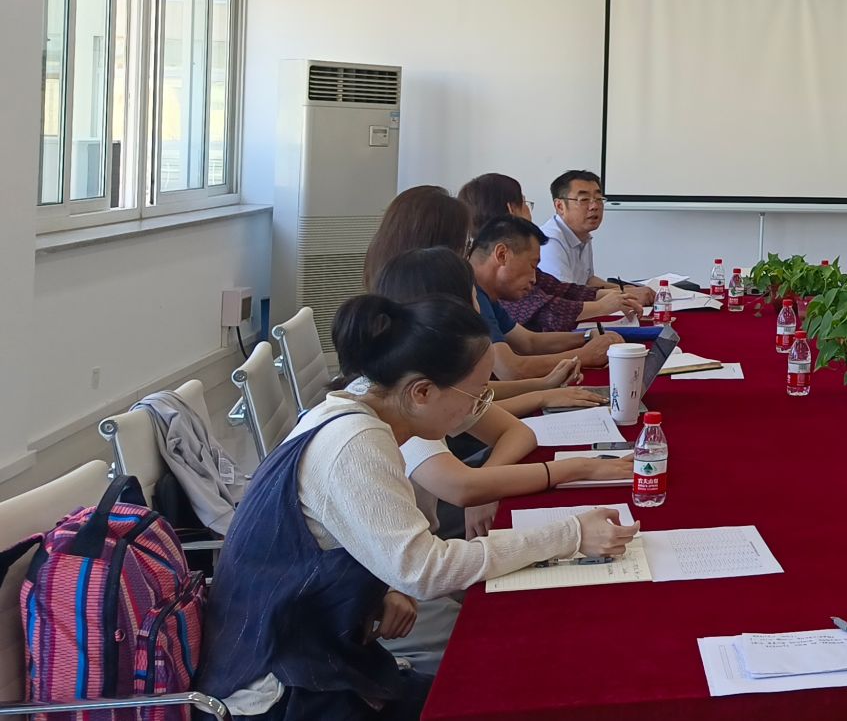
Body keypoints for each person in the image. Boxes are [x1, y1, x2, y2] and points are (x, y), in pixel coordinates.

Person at [197, 294, 638, 720]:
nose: (481, 406)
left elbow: (362, 542)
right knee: (513, 689)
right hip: (279, 692)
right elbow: (427, 571)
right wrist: (570, 533)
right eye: (477, 394)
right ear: (422, 392)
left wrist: (386, 587)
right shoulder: (357, 444)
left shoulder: (353, 407)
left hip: (319, 655)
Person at [372, 247, 630, 539]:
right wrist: (580, 468)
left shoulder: (432, 374)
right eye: (474, 297)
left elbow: (519, 433)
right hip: (428, 531)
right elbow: (461, 487)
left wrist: (485, 481)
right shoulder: (406, 397)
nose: (480, 308)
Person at [363, 185, 619, 381]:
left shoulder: (409, 286)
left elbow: (527, 343)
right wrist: (583, 356)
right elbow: (504, 374)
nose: (466, 251)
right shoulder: (457, 290)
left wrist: (584, 341)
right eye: (462, 242)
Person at [457, 173, 632, 330]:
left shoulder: (490, 257)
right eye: (524, 203)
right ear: (512, 211)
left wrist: (615, 295)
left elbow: (559, 288)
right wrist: (603, 306)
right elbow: (549, 313)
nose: (594, 206)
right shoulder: (496, 275)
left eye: (598, 198)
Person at [468, 214, 616, 366]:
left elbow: (529, 342)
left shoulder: (487, 294)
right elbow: (511, 369)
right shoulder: (470, 291)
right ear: (502, 255)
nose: (534, 279)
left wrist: (588, 336)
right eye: (532, 265)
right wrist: (585, 356)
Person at [537, 169, 656, 310]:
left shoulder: (582, 234)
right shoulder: (550, 241)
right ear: (560, 206)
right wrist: (624, 294)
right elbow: (566, 296)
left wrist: (625, 288)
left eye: (599, 199)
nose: (594, 206)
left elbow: (587, 280)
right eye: (584, 200)